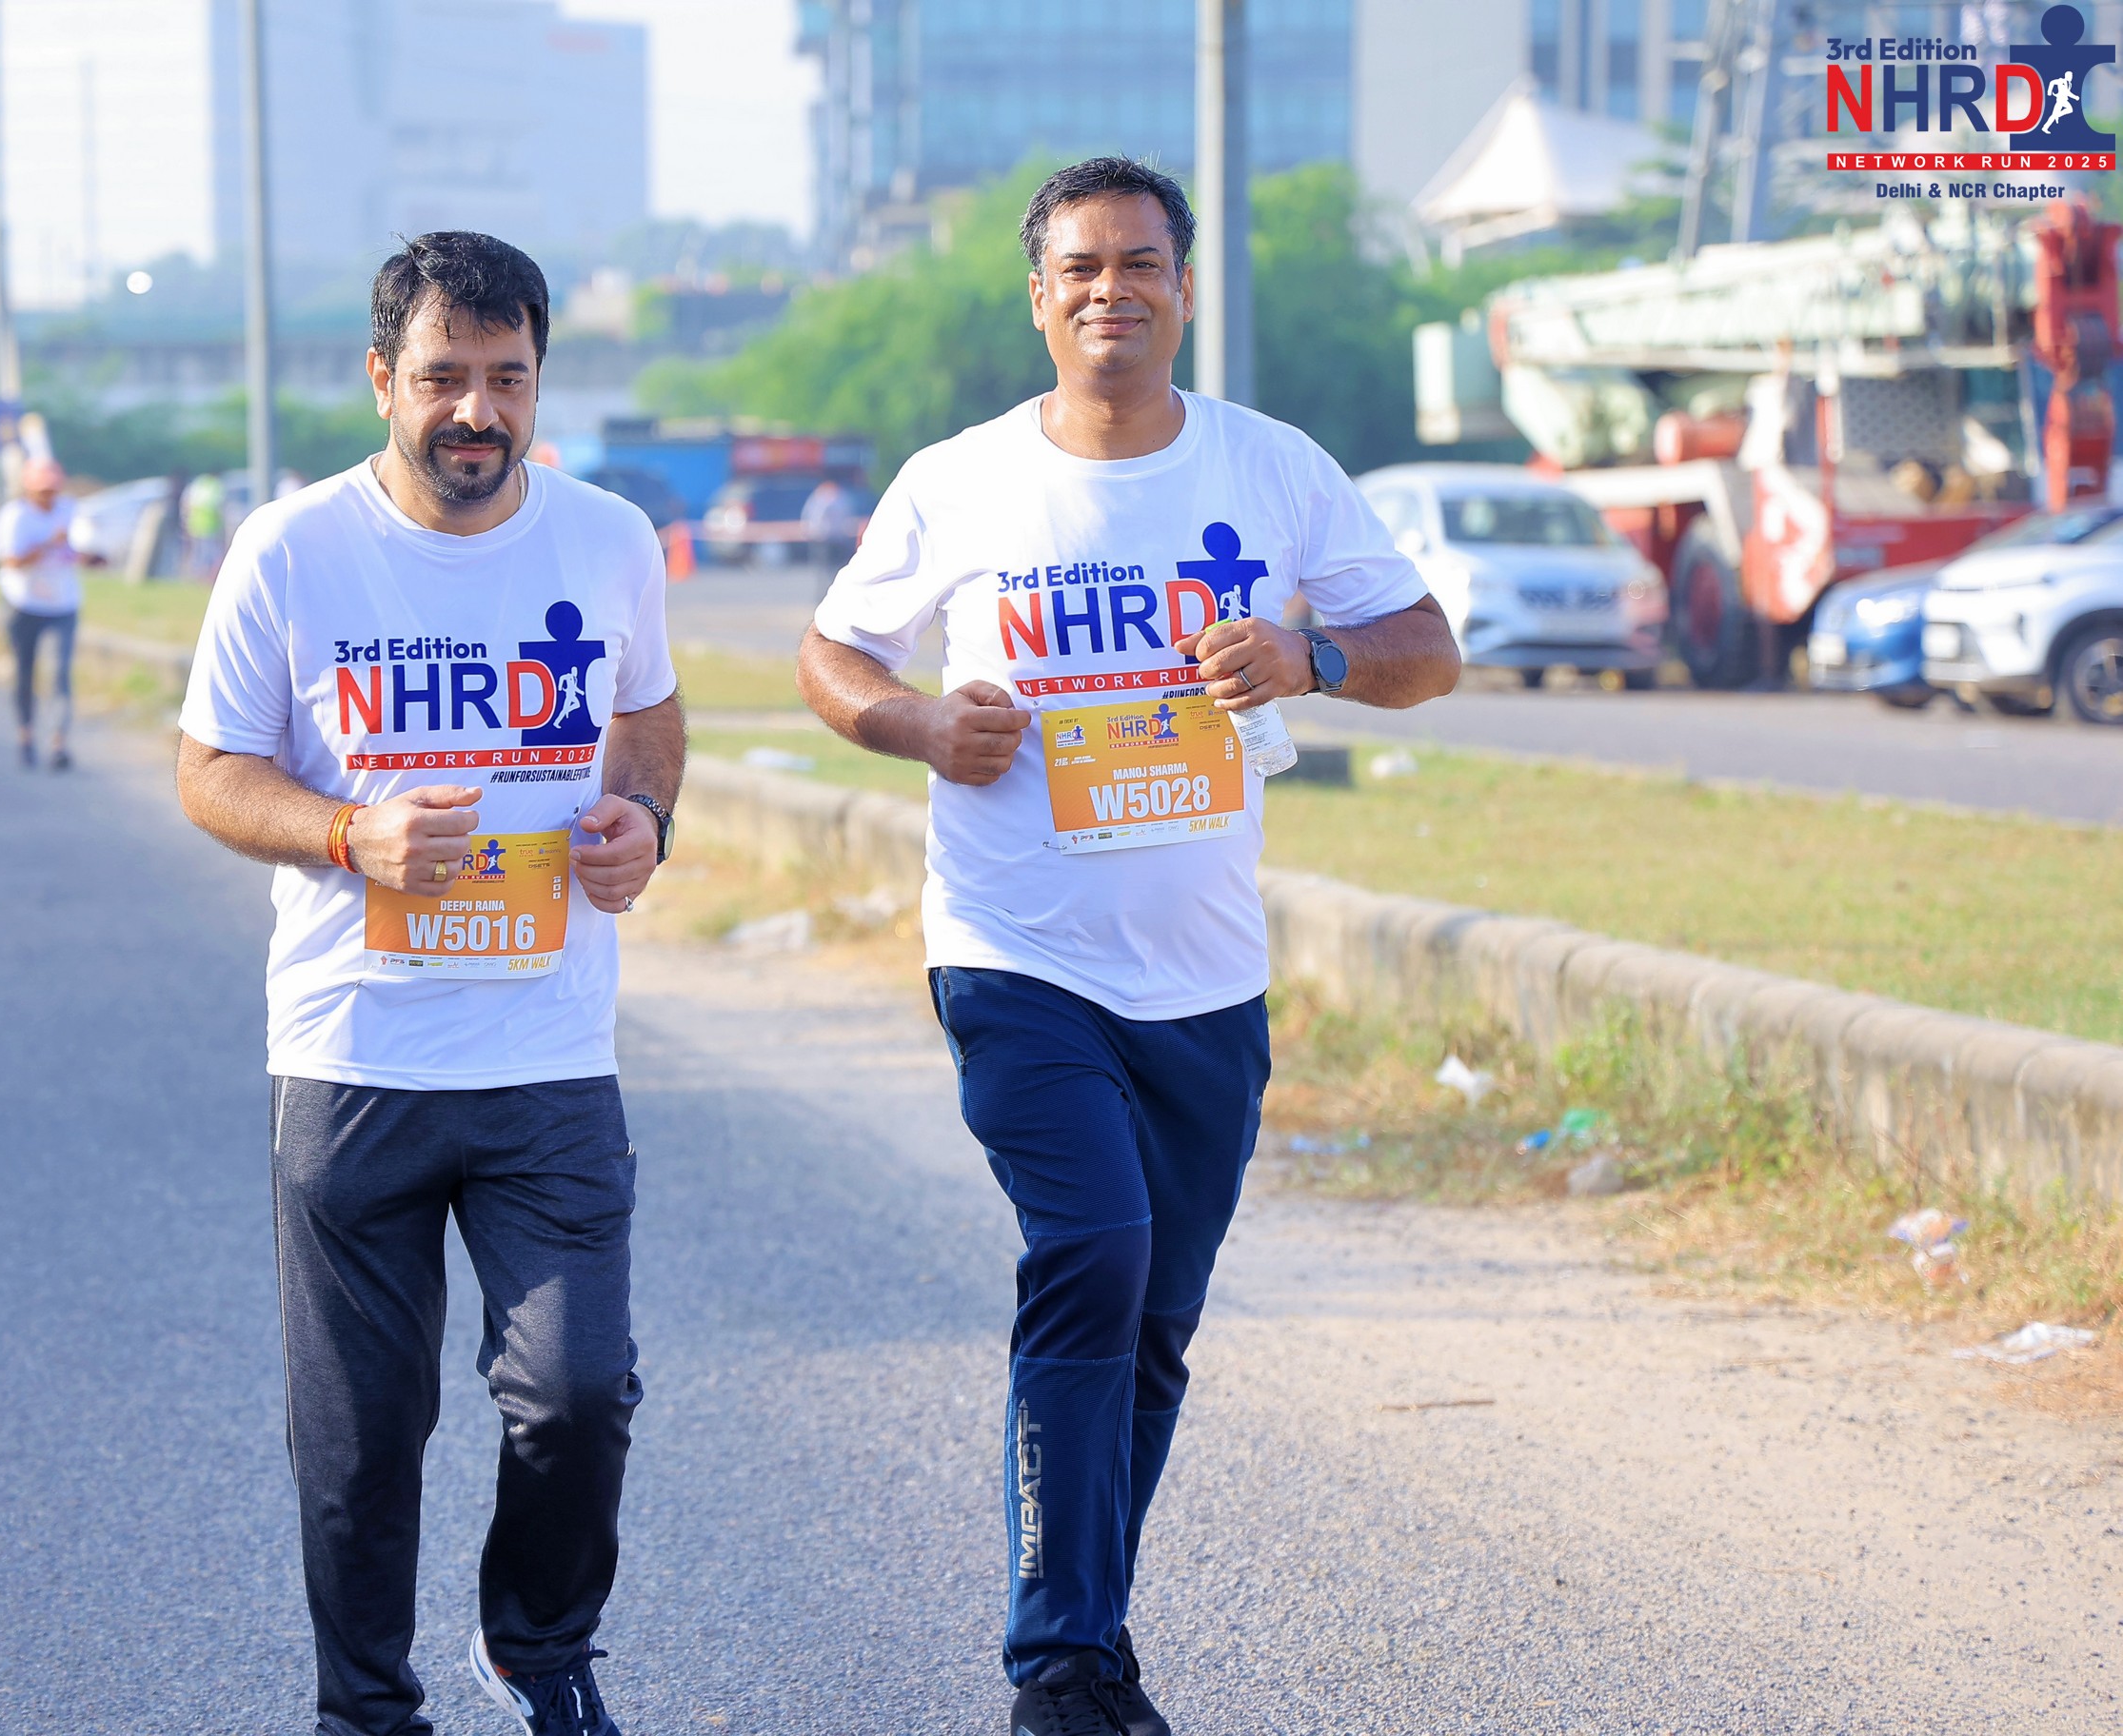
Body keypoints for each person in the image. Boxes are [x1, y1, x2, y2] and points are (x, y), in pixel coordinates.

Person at [797, 157, 1460, 1735]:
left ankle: (1092, 1641)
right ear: (1039, 297)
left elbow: (1428, 651)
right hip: (1015, 950)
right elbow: (832, 653)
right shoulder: (961, 479)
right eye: (1081, 269)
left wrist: (1310, 655)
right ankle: (1055, 1665)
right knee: (1091, 1251)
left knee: (1154, 1321)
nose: (1112, 291)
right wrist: (914, 722)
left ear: (1184, 289)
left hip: (1207, 975)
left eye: (1141, 264)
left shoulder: (1271, 466)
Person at [174, 231, 684, 1736]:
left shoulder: (609, 540)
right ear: (383, 379)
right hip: (354, 1056)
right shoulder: (293, 549)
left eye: (507, 378)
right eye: (445, 376)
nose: (478, 410)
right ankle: (367, 1711)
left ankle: (537, 1647)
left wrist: (644, 822)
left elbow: (650, 722)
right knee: (361, 1435)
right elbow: (209, 772)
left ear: (539, 383)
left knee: (579, 1392)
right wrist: (349, 834)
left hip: (549, 1056)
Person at [0, 456, 99, 770]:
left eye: (52, 489)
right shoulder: (15, 516)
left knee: (59, 672)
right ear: (29, 488)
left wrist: (88, 555)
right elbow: (11, 561)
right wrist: (48, 543)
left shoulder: (71, 511)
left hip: (62, 604)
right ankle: (25, 734)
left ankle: (58, 743)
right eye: (42, 490)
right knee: (24, 671)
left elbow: (84, 552)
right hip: (23, 603)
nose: (48, 495)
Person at [180, 468, 227, 579]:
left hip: (195, 525)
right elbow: (218, 507)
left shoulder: (198, 484)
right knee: (210, 553)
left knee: (198, 554)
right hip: (210, 526)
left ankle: (196, 575)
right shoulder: (215, 486)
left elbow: (187, 504)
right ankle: (206, 576)